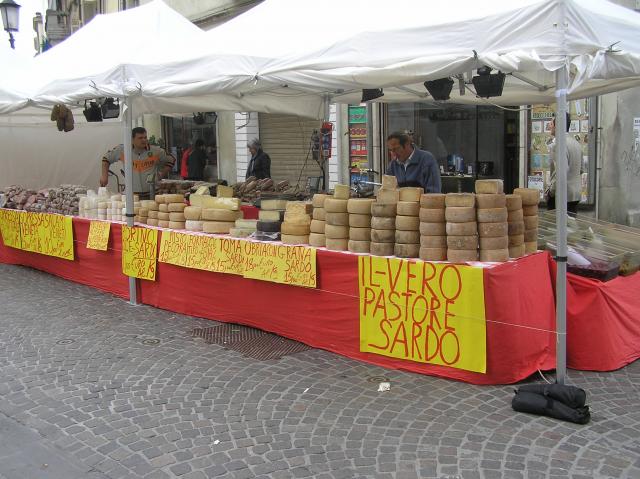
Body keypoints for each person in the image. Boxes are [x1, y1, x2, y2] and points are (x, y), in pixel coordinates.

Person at [100, 127, 175, 198]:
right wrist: (104, 176)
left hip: (152, 193)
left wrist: (161, 174)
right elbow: (106, 159)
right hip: (131, 195)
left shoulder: (156, 151)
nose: (144, 140)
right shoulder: (123, 150)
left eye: (145, 137)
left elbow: (171, 159)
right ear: (132, 139)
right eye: (140, 138)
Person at [546, 113, 583, 216]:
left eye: (551, 123)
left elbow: (561, 172)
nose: (549, 126)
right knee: (570, 228)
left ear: (558, 126)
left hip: (561, 196)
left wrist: (551, 192)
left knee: (555, 229)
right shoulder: (576, 144)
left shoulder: (557, 145)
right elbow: (581, 170)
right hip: (575, 195)